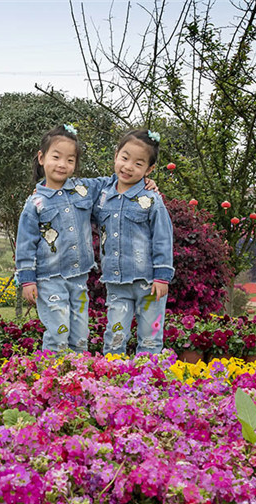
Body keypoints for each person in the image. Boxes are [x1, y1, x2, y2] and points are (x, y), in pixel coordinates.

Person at [16, 125, 158, 353]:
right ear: (42, 158)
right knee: (58, 332)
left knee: (81, 335)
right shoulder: (35, 204)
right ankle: (52, 378)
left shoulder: (84, 189)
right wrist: (27, 280)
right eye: (56, 157)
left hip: (78, 278)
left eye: (70, 160)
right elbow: (25, 244)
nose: (62, 164)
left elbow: (119, 179)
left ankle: (77, 380)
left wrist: (144, 184)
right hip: (49, 278)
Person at [93, 129, 174, 356]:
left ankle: (147, 384)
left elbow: (163, 239)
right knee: (114, 339)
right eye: (125, 158)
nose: (128, 167)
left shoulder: (151, 200)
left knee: (150, 340)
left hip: (149, 283)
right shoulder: (102, 196)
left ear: (149, 170)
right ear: (116, 154)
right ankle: (112, 386)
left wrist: (162, 276)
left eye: (138, 164)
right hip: (116, 282)